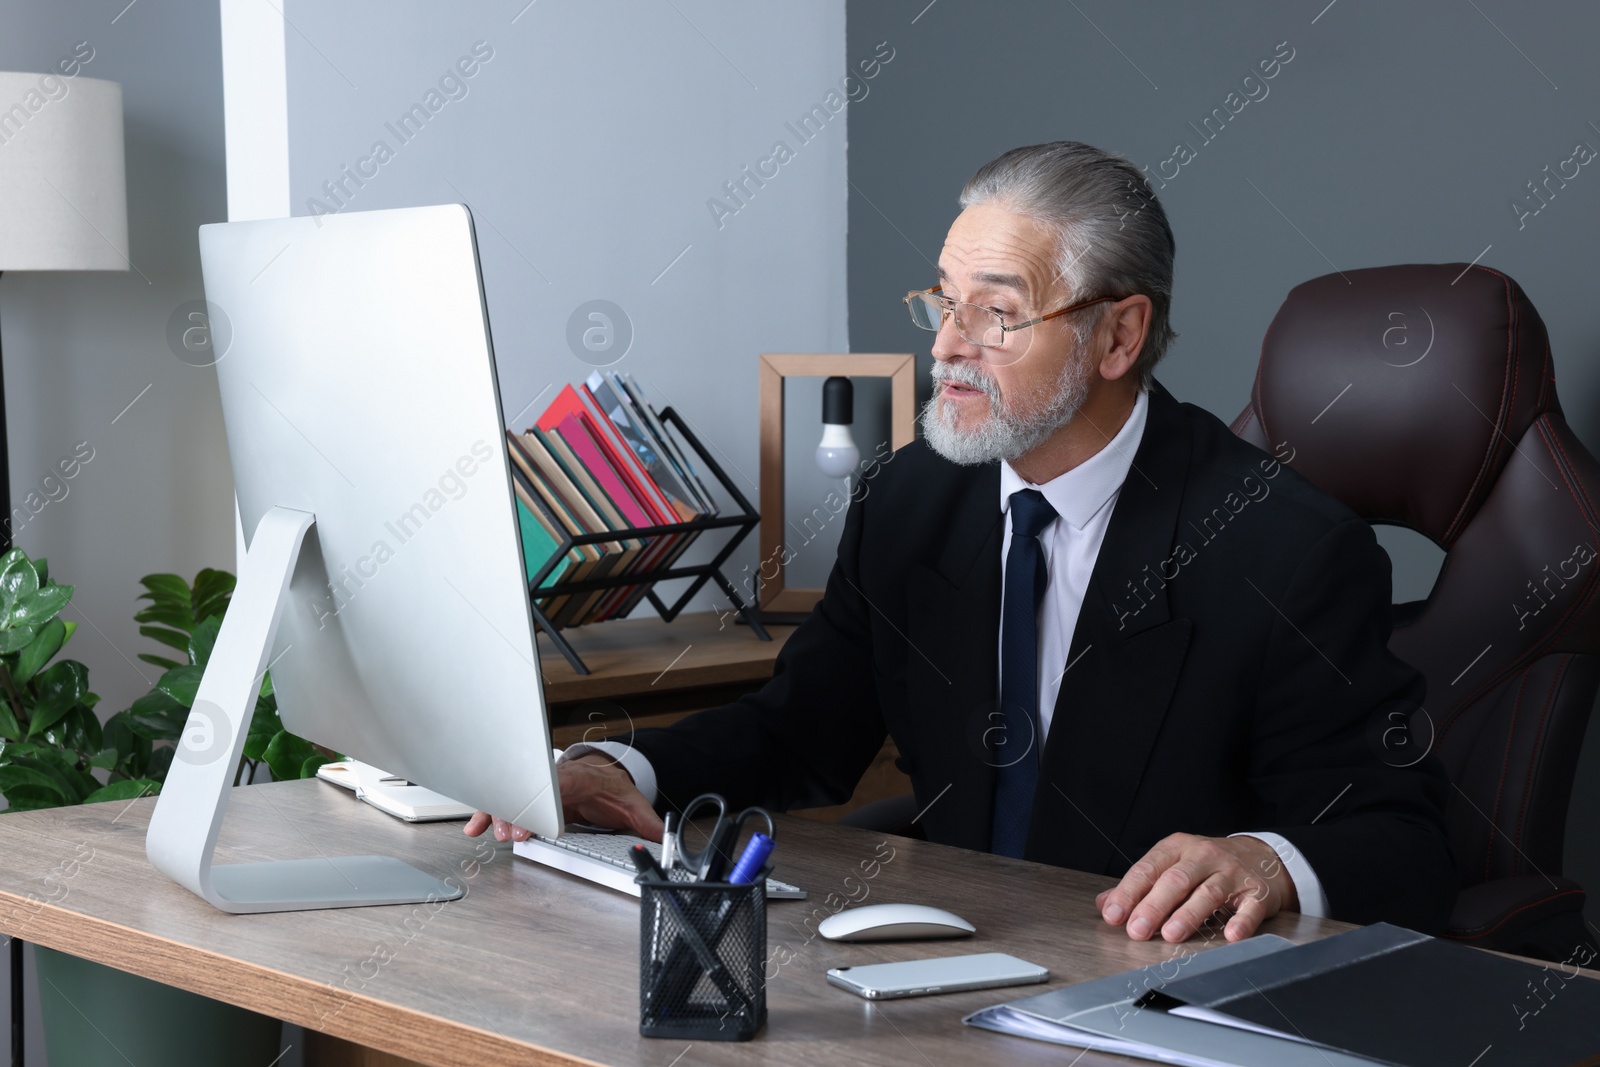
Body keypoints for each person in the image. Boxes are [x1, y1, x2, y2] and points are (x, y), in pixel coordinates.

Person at [467, 141, 1457, 943]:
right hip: (951, 967)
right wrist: (618, 770)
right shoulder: (911, 499)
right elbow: (798, 729)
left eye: (997, 313)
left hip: (1146, 987)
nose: (944, 345)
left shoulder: (1284, 548)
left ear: (1117, 337)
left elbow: (1400, 838)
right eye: (944, 302)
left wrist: (1266, 857)